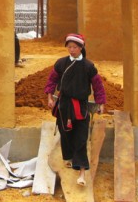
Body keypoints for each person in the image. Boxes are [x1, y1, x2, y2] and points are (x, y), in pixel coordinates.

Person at [44, 33, 106, 187]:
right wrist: (50, 97)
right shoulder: (61, 63)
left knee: (81, 136)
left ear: (81, 48)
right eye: (69, 47)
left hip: (81, 106)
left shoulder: (88, 66)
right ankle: (68, 158)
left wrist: (101, 103)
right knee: (65, 133)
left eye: (74, 47)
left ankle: (81, 167)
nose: (71, 50)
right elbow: (52, 80)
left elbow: (98, 86)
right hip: (64, 105)